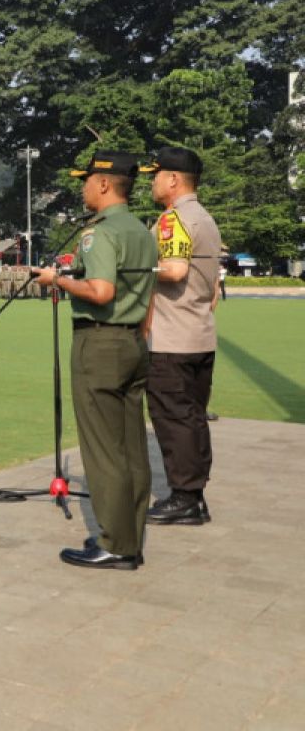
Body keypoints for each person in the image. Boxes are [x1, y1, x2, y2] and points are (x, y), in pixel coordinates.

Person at [32, 150, 158, 570]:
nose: (83, 186)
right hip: (134, 342)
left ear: (104, 183)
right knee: (131, 449)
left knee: (104, 450)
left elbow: (101, 291)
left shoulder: (99, 232)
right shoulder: (141, 230)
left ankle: (114, 543)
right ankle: (128, 537)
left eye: (86, 180)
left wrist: (59, 280)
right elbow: (148, 294)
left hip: (101, 344)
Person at [139, 147, 223, 526]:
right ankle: (193, 496)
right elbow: (215, 291)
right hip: (199, 334)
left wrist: (136, 270)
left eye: (156, 175)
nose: (152, 182)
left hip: (172, 339)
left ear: (173, 178)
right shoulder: (204, 218)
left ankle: (185, 498)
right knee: (191, 418)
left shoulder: (174, 220)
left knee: (174, 420)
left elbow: (172, 271)